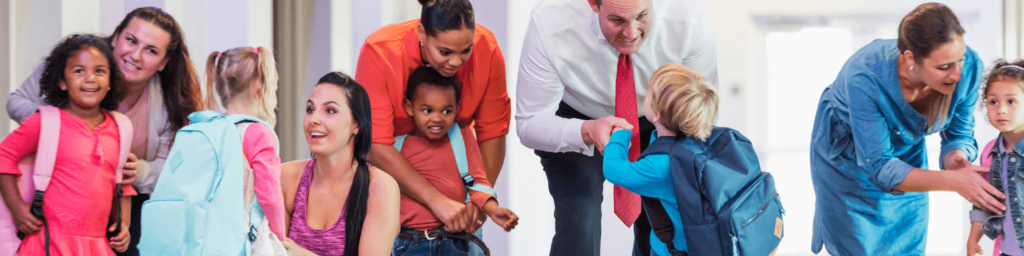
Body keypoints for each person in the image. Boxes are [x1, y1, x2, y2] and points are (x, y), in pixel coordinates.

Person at [514, 0, 718, 254]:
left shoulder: (689, 14)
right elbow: (529, 121)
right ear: (593, 4)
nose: (631, 33)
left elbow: (700, 109)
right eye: (617, 20)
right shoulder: (550, 22)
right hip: (575, 115)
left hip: (659, 116)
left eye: (642, 16)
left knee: (662, 224)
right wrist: (588, 130)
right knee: (579, 220)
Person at [5, 7, 203, 255]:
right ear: (116, 37)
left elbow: (170, 168)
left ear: (164, 63)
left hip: (120, 208)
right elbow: (16, 106)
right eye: (131, 40)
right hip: (55, 209)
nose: (136, 55)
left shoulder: (164, 104)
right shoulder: (74, 62)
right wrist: (59, 123)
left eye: (151, 51)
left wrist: (141, 171)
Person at [809, 3, 996, 255]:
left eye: (960, 59)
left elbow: (959, 134)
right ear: (911, 59)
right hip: (849, 161)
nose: (958, 74)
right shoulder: (865, 77)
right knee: (859, 245)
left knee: (907, 242)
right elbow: (879, 166)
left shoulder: (969, 66)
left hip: (907, 152)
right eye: (943, 67)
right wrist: (952, 182)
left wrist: (957, 162)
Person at [355, 0, 510, 240]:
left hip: (458, 212)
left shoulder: (486, 49)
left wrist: (475, 204)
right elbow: (375, 145)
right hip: (396, 210)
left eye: (465, 50)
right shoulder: (379, 51)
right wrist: (437, 202)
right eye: (445, 52)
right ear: (422, 34)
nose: (456, 62)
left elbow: (493, 133)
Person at [0, 34, 136, 255]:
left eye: (99, 71)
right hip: (47, 244)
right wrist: (17, 209)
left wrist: (125, 224)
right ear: (62, 81)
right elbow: (3, 157)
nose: (90, 78)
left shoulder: (121, 128)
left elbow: (121, 182)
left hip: (97, 246)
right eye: (79, 71)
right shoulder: (44, 122)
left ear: (111, 81)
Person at [391, 67, 519, 255]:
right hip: (409, 244)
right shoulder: (395, 147)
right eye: (427, 110)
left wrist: (492, 209)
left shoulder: (462, 135)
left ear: (457, 109)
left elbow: (477, 181)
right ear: (410, 107)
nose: (437, 118)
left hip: (455, 242)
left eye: (446, 111)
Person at [280, 72, 401, 256]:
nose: (314, 119)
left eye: (330, 111)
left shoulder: (381, 188)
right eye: (310, 109)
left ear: (356, 124)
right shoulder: (286, 177)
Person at [603, 63, 717, 256]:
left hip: (676, 250)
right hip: (710, 244)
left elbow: (613, 169)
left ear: (656, 113)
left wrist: (619, 136)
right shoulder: (702, 144)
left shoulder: (660, 165)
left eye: (649, 94)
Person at [203, 46, 288, 241]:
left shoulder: (208, 127)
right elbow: (270, 195)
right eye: (274, 87)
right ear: (260, 85)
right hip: (240, 238)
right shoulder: (258, 134)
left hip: (207, 234)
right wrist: (280, 237)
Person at [967, 59, 1024, 256]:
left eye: (1011, 101)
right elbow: (984, 200)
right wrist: (973, 238)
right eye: (993, 101)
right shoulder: (990, 152)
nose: (1001, 109)